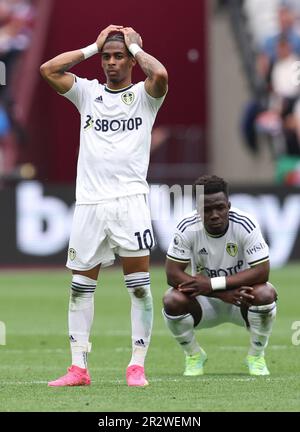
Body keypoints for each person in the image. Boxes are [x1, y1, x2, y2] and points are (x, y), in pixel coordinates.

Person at [40, 24, 168, 387]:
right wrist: (90, 48)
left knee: (140, 287)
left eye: (118, 56)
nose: (111, 63)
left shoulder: (146, 96)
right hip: (90, 204)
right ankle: (78, 368)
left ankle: (136, 365)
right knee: (80, 288)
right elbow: (48, 70)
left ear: (130, 60)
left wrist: (137, 47)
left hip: (130, 202)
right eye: (107, 57)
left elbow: (159, 73)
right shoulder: (87, 93)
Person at [162, 175, 277, 376]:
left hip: (241, 299)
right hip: (205, 301)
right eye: (207, 209)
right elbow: (172, 274)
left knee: (266, 294)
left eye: (220, 208)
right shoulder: (187, 227)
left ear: (229, 205)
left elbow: (262, 271)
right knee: (171, 299)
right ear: (197, 210)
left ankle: (256, 356)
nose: (215, 215)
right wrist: (219, 292)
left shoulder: (245, 224)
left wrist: (214, 284)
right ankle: (194, 355)